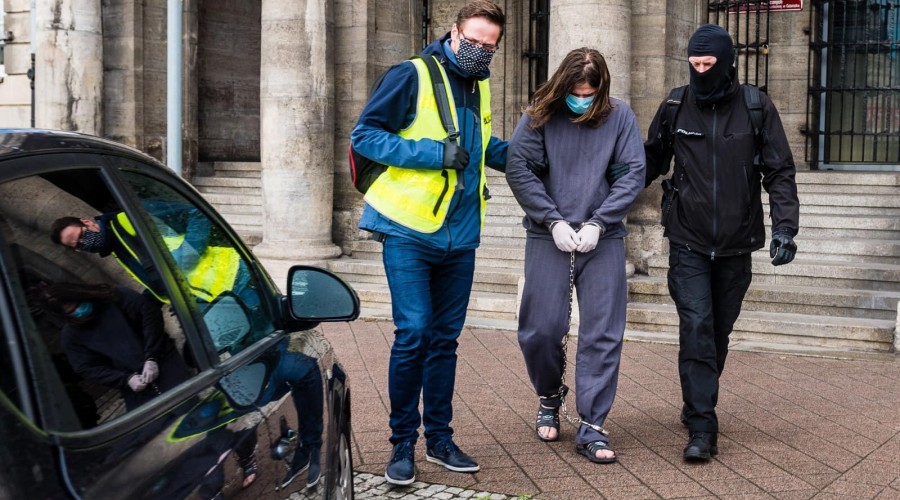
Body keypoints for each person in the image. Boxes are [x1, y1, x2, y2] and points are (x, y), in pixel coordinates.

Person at [349, 0, 508, 485]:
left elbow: (478, 148)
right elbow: (365, 136)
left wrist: (534, 153)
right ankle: (402, 445)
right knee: (414, 333)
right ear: (453, 32)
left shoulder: (478, 85)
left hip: (460, 233)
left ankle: (439, 439)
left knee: (444, 341)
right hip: (409, 229)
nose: (480, 50)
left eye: (490, 46)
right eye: (474, 40)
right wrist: (432, 153)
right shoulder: (410, 74)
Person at [643, 24, 800, 462]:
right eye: (694, 64)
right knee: (695, 325)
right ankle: (702, 424)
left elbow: (780, 172)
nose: (700, 72)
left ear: (727, 62)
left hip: (737, 242)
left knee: (717, 331)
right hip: (688, 240)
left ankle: (698, 396)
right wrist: (598, 191)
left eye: (709, 65)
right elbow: (649, 160)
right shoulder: (675, 105)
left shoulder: (756, 107)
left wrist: (786, 227)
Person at [505, 47, 646, 464]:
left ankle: (592, 424)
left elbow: (631, 173)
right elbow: (519, 168)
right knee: (541, 329)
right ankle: (549, 397)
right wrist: (552, 220)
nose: (581, 98)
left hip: (602, 237)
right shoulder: (538, 116)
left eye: (589, 92)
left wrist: (601, 222)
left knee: (602, 331)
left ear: (601, 89)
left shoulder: (620, 116)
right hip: (549, 234)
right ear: (562, 86)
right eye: (575, 91)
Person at [39, 283, 191, 412]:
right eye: (72, 312)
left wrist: (152, 355)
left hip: (163, 359)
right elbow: (86, 367)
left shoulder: (113, 296)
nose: (79, 312)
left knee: (188, 402)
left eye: (78, 306)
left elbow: (149, 315)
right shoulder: (71, 336)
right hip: (133, 383)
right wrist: (125, 379)